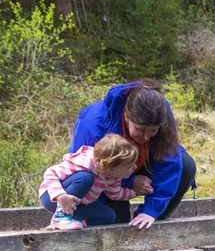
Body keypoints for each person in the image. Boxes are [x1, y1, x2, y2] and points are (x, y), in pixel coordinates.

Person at [69, 79, 197, 229]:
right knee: (116, 221)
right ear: (126, 117)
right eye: (140, 129)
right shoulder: (93, 123)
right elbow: (90, 170)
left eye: (153, 131)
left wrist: (151, 211)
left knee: (186, 165)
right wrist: (130, 181)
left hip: (139, 166)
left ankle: (149, 222)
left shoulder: (161, 114)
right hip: (103, 176)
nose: (146, 137)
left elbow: (169, 163)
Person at [40, 133, 139, 230]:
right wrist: (61, 195)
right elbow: (50, 173)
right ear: (111, 168)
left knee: (109, 216)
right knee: (86, 178)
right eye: (130, 166)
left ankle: (72, 222)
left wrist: (136, 192)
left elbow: (115, 194)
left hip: (76, 205)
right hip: (53, 196)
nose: (135, 167)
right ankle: (60, 216)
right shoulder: (85, 163)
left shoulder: (114, 176)